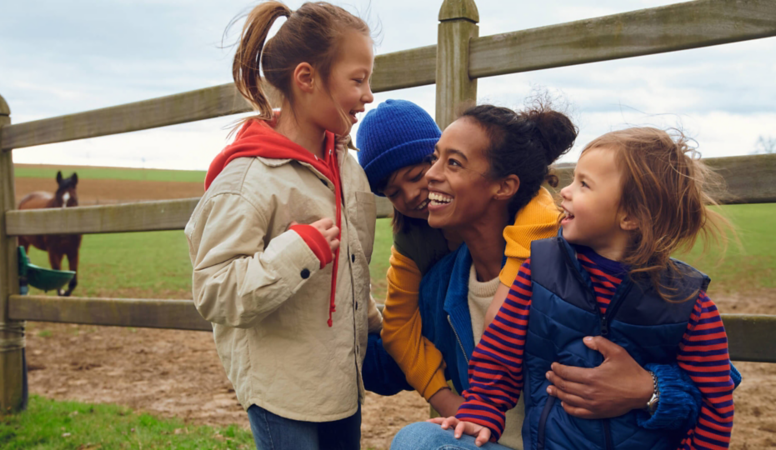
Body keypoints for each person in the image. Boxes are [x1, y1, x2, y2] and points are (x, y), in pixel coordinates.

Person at [359, 102, 718, 449]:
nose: (427, 179)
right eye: (434, 159)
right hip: (506, 442)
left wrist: (649, 389)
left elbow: (709, 392)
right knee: (418, 440)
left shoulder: (572, 267)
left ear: (505, 186)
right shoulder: (435, 282)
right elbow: (406, 351)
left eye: (450, 163)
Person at [184, 2, 380, 449]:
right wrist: (296, 252)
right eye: (357, 79)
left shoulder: (348, 169)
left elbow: (351, 266)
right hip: (281, 391)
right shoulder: (248, 180)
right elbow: (214, 289)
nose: (369, 94)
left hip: (339, 383)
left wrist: (376, 327)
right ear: (307, 78)